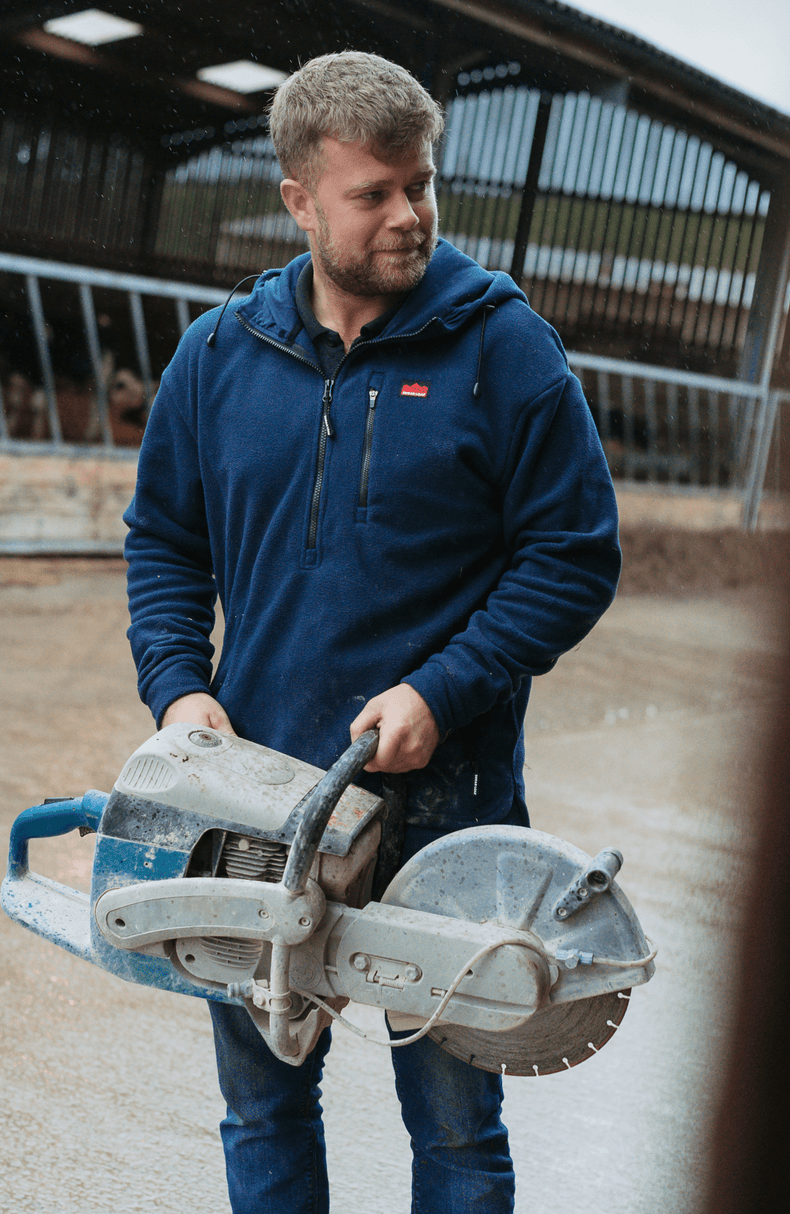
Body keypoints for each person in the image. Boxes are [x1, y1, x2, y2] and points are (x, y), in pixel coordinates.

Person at [123, 50, 620, 1214]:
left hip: (443, 814)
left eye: (422, 184)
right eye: (374, 193)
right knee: (262, 1105)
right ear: (298, 200)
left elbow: (572, 556)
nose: (409, 214)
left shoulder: (505, 351)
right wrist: (176, 685)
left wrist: (442, 689)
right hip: (252, 805)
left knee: (451, 1128)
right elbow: (164, 540)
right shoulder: (217, 355)